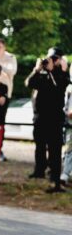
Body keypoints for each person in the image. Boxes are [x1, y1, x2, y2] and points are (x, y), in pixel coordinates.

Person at [26, 47, 70, 193]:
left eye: (55, 59)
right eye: (51, 58)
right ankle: (39, 170)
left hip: (54, 118)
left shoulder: (61, 74)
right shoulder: (41, 72)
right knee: (39, 145)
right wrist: (36, 70)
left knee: (54, 149)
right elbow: (29, 83)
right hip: (39, 116)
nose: (52, 61)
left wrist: (55, 70)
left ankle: (55, 179)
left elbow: (60, 87)